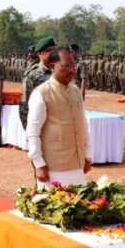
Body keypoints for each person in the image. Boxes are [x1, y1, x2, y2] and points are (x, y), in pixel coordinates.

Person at [26, 47, 92, 188]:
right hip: (53, 167)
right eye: (66, 66)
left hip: (77, 163)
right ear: (52, 66)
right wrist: (39, 164)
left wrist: (87, 156)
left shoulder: (76, 91)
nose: (71, 70)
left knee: (80, 207)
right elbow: (32, 133)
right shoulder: (42, 93)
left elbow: (83, 125)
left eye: (73, 65)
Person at [20, 37, 56, 129]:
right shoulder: (32, 75)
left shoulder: (59, 72)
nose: (53, 53)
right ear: (39, 53)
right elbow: (25, 105)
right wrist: (29, 131)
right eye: (48, 50)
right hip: (41, 127)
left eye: (54, 50)